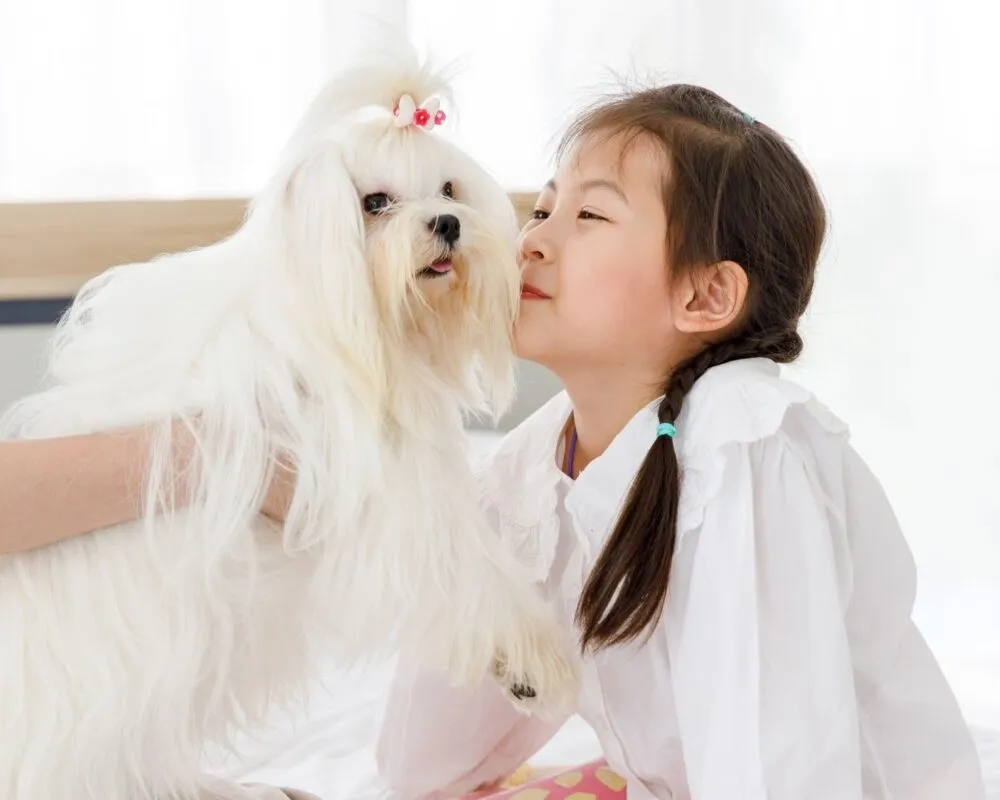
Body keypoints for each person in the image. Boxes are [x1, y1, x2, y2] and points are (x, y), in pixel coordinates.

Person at [0, 84, 986, 798]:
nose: (533, 237)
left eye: (587, 214)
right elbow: (427, 755)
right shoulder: (533, 459)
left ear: (705, 295)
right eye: (540, 207)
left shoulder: (747, 440)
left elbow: (780, 760)